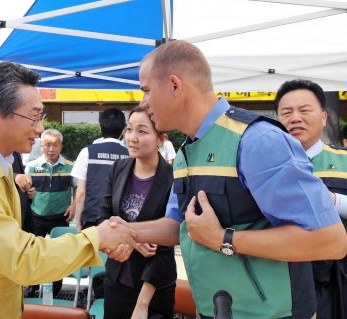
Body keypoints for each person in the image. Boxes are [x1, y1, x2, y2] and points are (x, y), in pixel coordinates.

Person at [107, 40, 347, 319]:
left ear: (175, 86)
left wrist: (224, 238)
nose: (143, 103)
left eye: (146, 90)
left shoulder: (258, 141)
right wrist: (129, 231)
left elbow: (329, 240)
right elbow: (181, 226)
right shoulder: (186, 152)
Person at [0, 62, 137, 318]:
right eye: (33, 117)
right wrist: (97, 238)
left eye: (40, 116)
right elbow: (23, 259)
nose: (40, 128)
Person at [275, 79, 347, 319]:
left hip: (338, 277)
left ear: (324, 117)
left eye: (305, 110)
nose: (295, 118)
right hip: (280, 277)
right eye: (286, 112)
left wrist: (332, 200)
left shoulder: (344, 161)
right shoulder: (263, 166)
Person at [98, 106, 176, 319]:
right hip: (116, 279)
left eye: (142, 131)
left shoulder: (173, 178)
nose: (132, 138)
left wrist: (142, 304)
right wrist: (133, 238)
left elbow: (167, 243)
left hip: (154, 287)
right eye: (129, 129)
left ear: (161, 139)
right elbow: (103, 217)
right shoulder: (118, 169)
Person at [28, 128, 77, 295]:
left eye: (55, 145)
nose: (51, 149)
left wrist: (75, 204)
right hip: (37, 216)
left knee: (59, 254)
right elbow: (25, 190)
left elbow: (78, 187)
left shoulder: (71, 166)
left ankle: (56, 290)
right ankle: (31, 286)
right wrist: (28, 194)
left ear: (61, 147)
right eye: (47, 144)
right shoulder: (32, 166)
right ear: (41, 146)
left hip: (60, 216)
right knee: (33, 252)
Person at [71, 108, 130, 232]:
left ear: (100, 128)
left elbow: (80, 192)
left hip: (92, 217)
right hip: (121, 220)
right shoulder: (130, 155)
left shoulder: (87, 152)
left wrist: (78, 223)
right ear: (123, 130)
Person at [12, 151, 36, 233]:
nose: (35, 138)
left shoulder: (16, 151)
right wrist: (14, 176)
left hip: (24, 214)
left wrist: (29, 190)